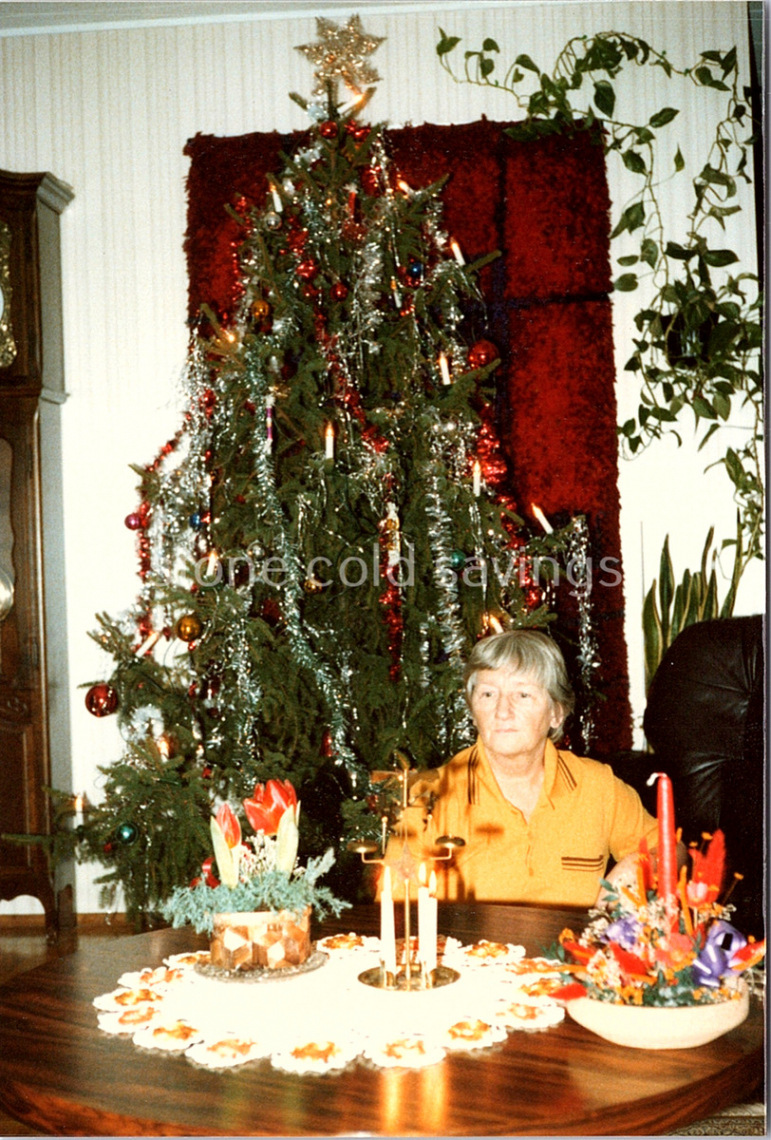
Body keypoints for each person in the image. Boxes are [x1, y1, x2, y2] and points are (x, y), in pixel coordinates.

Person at [383, 630, 665, 908]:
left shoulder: (597, 786)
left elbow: (670, 851)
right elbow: (398, 914)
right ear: (472, 710)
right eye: (488, 694)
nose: (502, 711)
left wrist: (638, 866)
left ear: (556, 712)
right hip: (471, 952)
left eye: (523, 695)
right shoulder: (428, 795)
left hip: (570, 953)